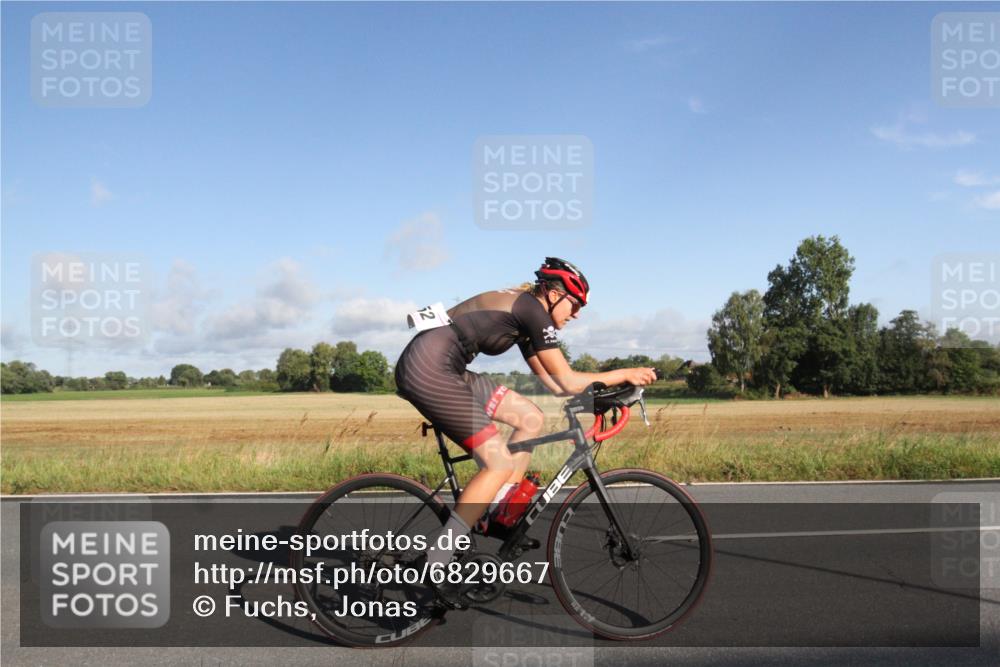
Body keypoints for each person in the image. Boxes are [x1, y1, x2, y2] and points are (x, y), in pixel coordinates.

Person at [394, 257, 656, 605]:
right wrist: (625, 373)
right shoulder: (531, 309)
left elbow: (557, 386)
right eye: (575, 305)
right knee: (498, 463)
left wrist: (605, 395)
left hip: (446, 365)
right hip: (429, 368)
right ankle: (437, 560)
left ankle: (497, 510)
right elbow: (568, 379)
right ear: (554, 294)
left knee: (529, 417)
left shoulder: (527, 315)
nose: (577, 314)